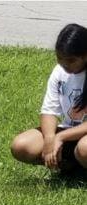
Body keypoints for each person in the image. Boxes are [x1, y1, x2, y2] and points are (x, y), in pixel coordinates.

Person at [11, 23, 87, 175]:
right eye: (60, 58)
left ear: (85, 56)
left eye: (71, 60)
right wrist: (50, 137)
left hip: (80, 137)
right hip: (68, 132)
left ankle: (80, 164)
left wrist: (61, 137)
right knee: (21, 146)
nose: (65, 64)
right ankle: (70, 166)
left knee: (85, 149)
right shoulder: (59, 71)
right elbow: (49, 110)